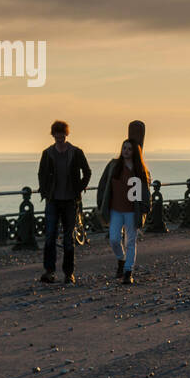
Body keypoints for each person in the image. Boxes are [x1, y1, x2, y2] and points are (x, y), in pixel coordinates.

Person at [37, 120, 92, 284]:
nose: (59, 136)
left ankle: (69, 273)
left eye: (62, 133)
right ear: (53, 135)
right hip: (53, 200)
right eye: (57, 133)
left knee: (68, 238)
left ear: (66, 134)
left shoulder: (76, 152)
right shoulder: (47, 153)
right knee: (50, 237)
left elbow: (87, 172)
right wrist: (46, 191)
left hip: (70, 201)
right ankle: (49, 272)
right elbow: (41, 174)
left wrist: (79, 188)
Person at [97, 138, 152, 285]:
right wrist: (101, 202)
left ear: (134, 152)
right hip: (115, 210)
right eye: (124, 148)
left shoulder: (139, 169)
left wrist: (145, 208)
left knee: (131, 241)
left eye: (129, 149)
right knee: (114, 239)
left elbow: (145, 191)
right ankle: (121, 259)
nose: (126, 151)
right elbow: (103, 184)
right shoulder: (113, 165)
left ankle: (128, 271)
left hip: (131, 211)